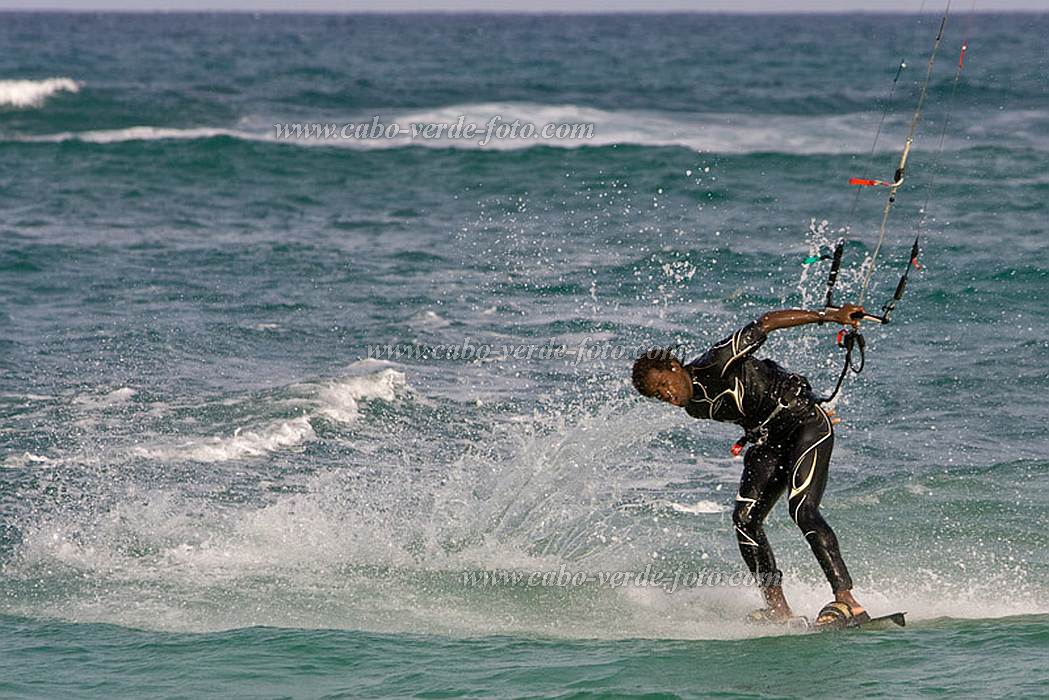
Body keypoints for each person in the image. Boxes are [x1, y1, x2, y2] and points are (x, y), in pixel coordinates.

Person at [631, 305, 869, 628]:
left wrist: (832, 316)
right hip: (768, 439)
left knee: (802, 510)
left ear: (674, 367)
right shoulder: (693, 408)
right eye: (659, 396)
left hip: (805, 424)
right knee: (745, 520)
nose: (667, 395)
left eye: (664, 384)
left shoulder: (717, 361)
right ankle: (779, 610)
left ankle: (848, 602)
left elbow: (767, 323)